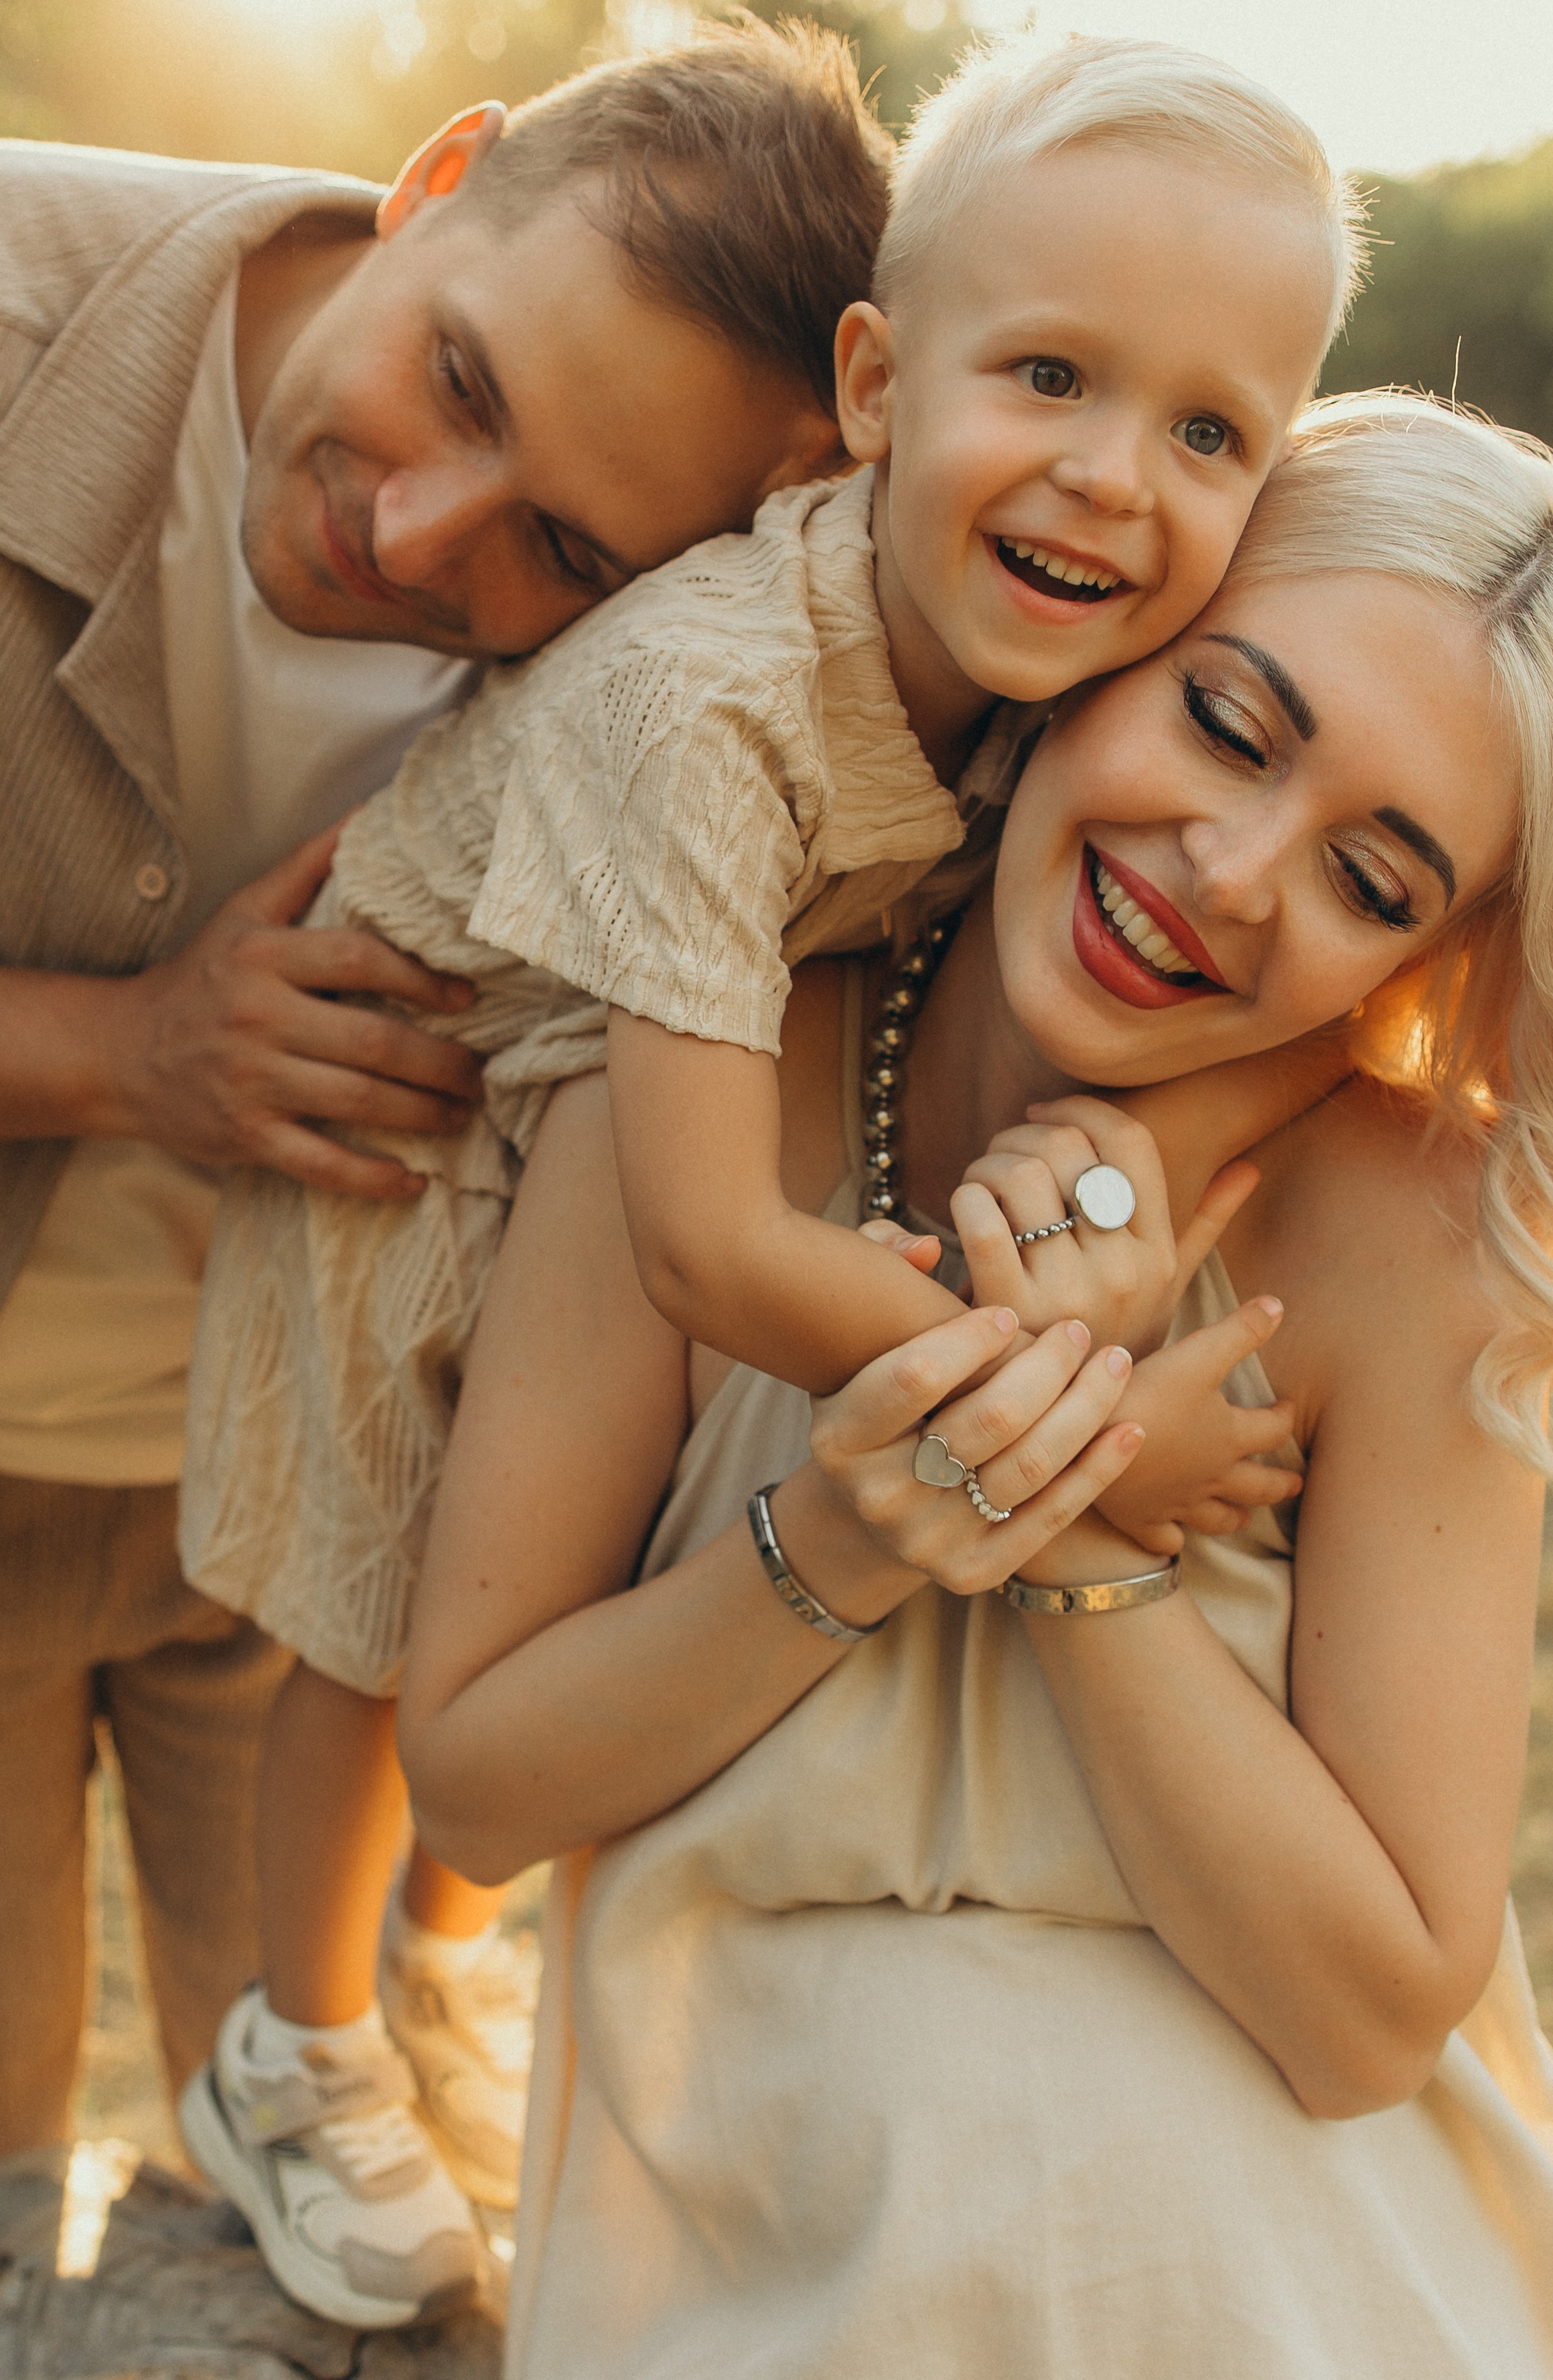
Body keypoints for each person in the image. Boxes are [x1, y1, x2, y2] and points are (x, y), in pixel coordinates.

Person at [179, 31, 1355, 2309]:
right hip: (407, 1082)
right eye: (1054, 377)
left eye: (1211, 432)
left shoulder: (1045, 656)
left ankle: (445, 1966)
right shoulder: (708, 703)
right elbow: (718, 1246)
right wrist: (1088, 1445)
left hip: (610, 1084)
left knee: (595, 1518)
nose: (1119, 482)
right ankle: (291, 2040)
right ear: (879, 387)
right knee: (380, 1592)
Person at [0, 17, 887, 2217]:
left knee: (381, 2190)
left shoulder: (723, 639)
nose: (419, 532)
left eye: (567, 559)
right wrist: (130, 1055)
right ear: (438, 176)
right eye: (468, 385)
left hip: (331, 1542)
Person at [398, 393, 1553, 2377]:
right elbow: (484, 1778)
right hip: (745, 2260)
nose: (1231, 869)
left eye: (1375, 876)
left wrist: (1064, 1504)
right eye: (1227, 721)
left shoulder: (1417, 1240)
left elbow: (1368, 2016)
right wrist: (852, 1528)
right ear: (1110, 637)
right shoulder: (703, 1080)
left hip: (1287, 2290)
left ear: (1427, 953)